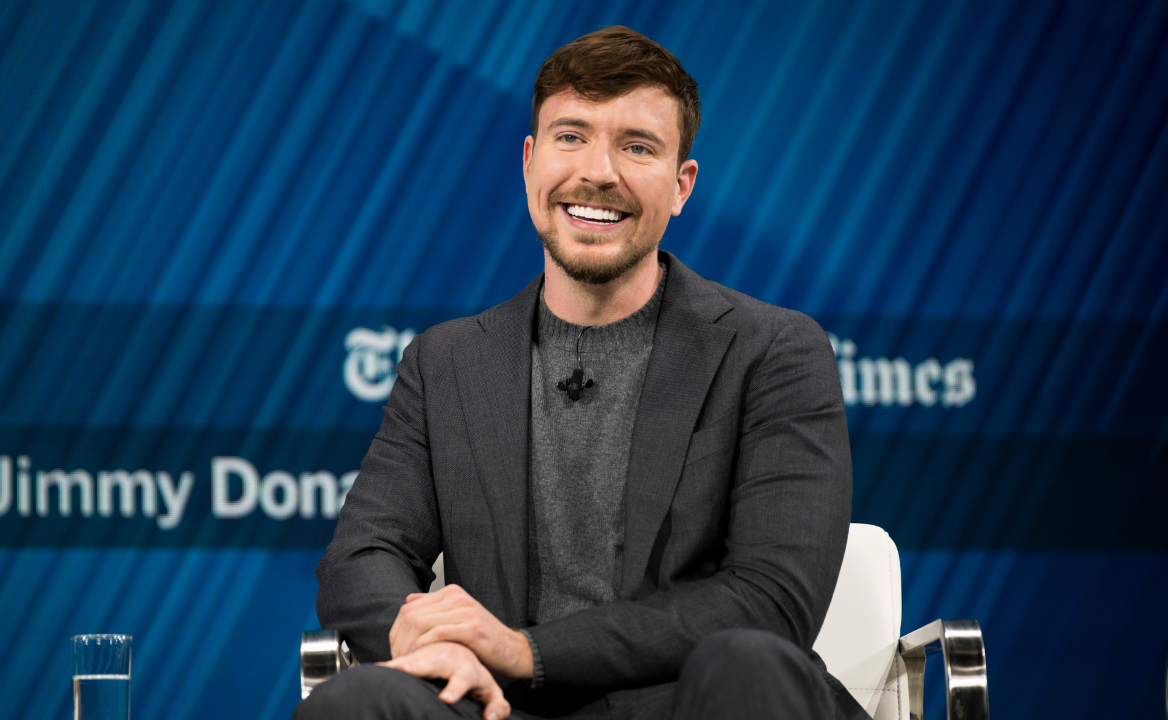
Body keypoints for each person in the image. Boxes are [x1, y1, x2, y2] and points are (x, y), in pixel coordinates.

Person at [294, 26, 865, 720]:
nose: (599, 171)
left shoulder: (773, 351)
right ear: (531, 163)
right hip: (498, 708)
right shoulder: (444, 363)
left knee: (746, 660)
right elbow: (363, 558)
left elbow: (771, 599)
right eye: (571, 136)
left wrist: (528, 651)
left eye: (637, 146)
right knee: (357, 700)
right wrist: (421, 633)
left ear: (682, 185)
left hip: (694, 701)